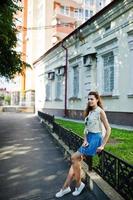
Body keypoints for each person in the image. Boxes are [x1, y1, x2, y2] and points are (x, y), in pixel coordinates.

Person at [55, 91, 111, 198]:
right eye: (88, 99)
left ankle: (78, 185)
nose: (90, 101)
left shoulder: (100, 112)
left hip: (95, 139)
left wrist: (102, 145)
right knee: (75, 162)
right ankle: (65, 188)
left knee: (74, 157)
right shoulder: (89, 112)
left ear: (97, 100)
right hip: (89, 139)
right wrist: (85, 139)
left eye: (92, 99)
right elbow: (86, 128)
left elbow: (109, 129)